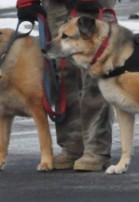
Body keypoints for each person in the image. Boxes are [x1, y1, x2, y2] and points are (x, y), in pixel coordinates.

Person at [16, 0, 117, 171]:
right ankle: (73, 144)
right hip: (56, 4)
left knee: (95, 70)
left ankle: (96, 149)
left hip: (91, 4)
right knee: (63, 70)